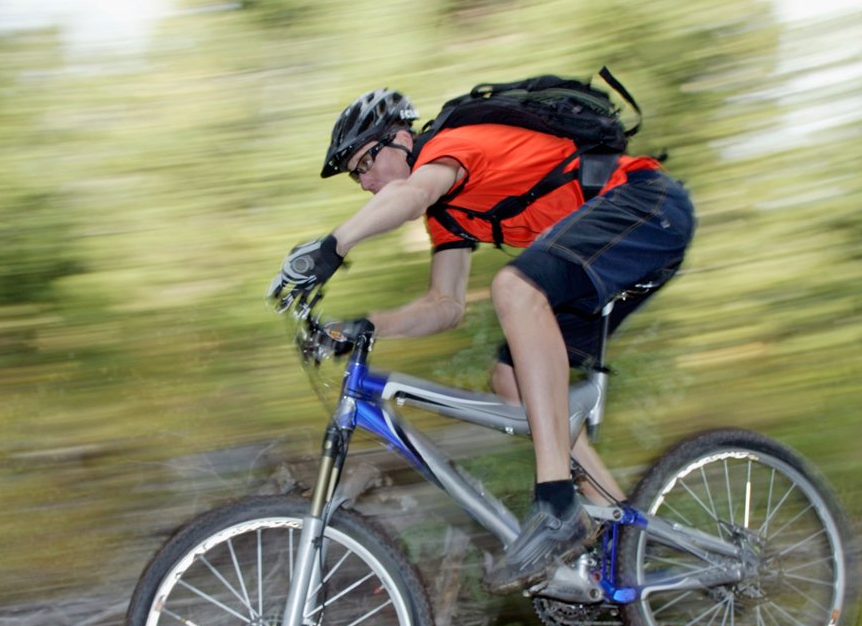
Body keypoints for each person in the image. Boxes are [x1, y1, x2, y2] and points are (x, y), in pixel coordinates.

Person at [269, 87, 694, 593]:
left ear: (402, 140)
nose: (365, 184)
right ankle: (620, 535)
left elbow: (409, 196)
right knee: (512, 378)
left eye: (365, 164)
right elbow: (444, 306)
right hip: (608, 249)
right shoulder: (448, 212)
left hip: (646, 205)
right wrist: (364, 326)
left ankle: (556, 504)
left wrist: (333, 246)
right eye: (356, 176)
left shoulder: (455, 144)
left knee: (514, 289)